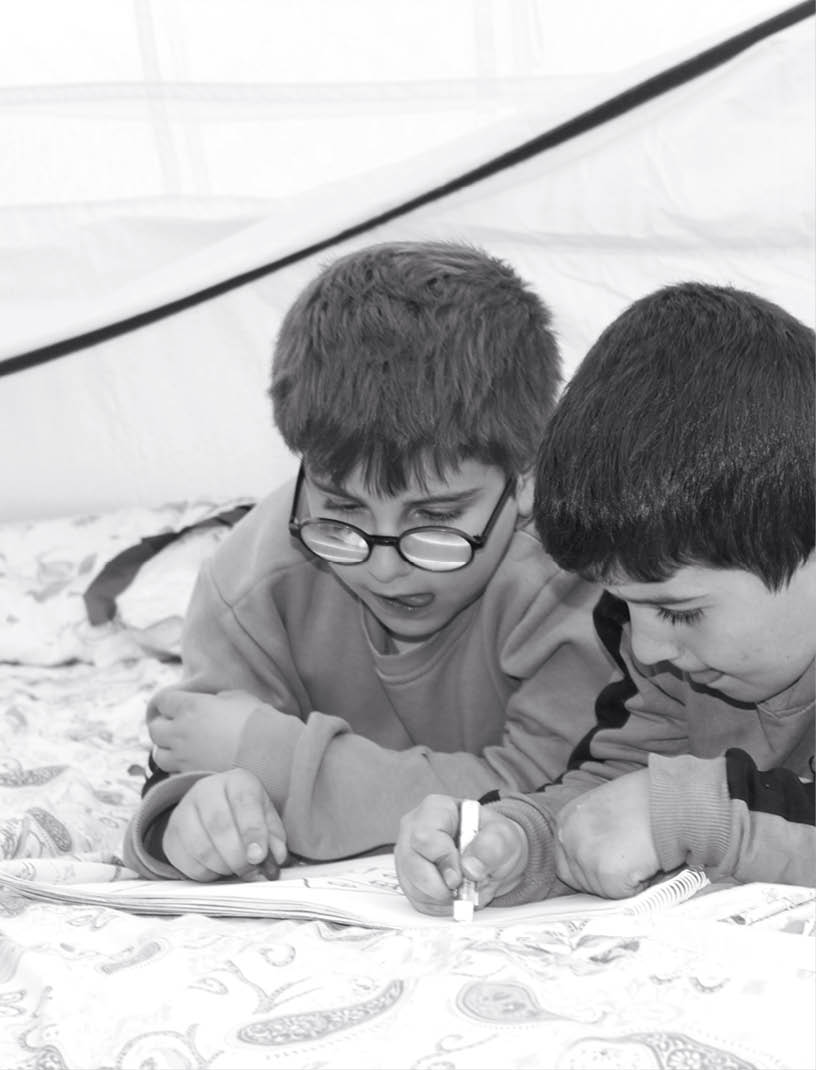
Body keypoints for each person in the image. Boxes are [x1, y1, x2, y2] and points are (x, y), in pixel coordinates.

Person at [122, 240, 614, 882]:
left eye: (436, 519)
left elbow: (555, 796)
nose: (384, 568)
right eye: (341, 511)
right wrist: (193, 821)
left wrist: (271, 755)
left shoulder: (575, 581)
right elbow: (189, 764)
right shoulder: (254, 579)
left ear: (526, 477)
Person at [395, 281, 815, 916]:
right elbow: (616, 783)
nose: (648, 647)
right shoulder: (666, 652)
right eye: (628, 606)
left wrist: (699, 819)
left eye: (680, 611)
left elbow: (673, 808)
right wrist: (517, 842)